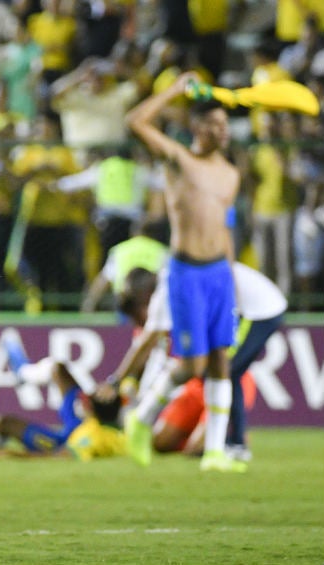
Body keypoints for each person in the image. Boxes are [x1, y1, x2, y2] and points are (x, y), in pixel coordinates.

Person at [124, 71, 243, 473]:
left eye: (224, 125)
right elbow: (135, 122)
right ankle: (140, 422)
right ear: (196, 126)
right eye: (212, 124)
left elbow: (225, 227)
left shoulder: (231, 174)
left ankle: (214, 453)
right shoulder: (178, 159)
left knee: (220, 360)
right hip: (186, 272)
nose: (221, 132)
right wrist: (173, 90)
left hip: (219, 276)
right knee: (191, 366)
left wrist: (232, 279)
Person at [111, 263, 287, 463]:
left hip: (260, 309)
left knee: (225, 371)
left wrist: (117, 381)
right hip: (244, 307)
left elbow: (148, 342)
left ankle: (234, 443)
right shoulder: (173, 281)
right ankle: (232, 442)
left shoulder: (168, 286)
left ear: (145, 297)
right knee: (220, 371)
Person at [0, 331, 125, 462]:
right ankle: (23, 372)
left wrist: (9, 455)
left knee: (4, 422)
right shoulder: (91, 410)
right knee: (57, 367)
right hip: (76, 424)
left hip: (59, 443)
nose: (97, 388)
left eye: (95, 393)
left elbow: (61, 456)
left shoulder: (92, 436)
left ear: (89, 406)